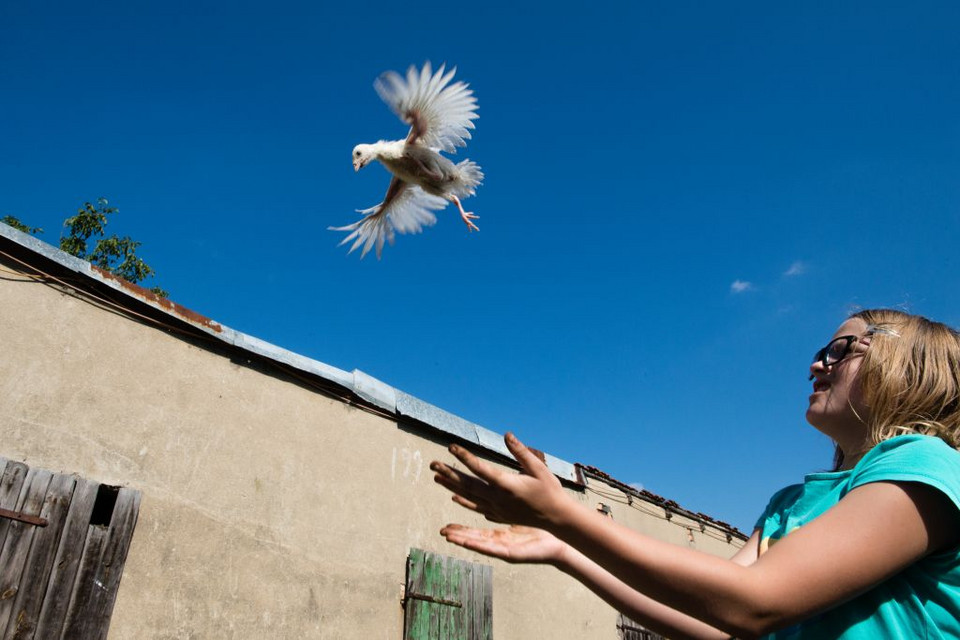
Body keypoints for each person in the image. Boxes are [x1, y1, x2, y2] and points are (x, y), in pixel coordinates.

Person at [430, 309, 960, 639]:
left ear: (907, 366)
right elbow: (718, 622)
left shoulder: (927, 463)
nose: (815, 365)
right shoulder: (789, 502)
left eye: (840, 350)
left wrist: (568, 518)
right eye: (820, 353)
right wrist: (565, 550)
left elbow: (758, 604)